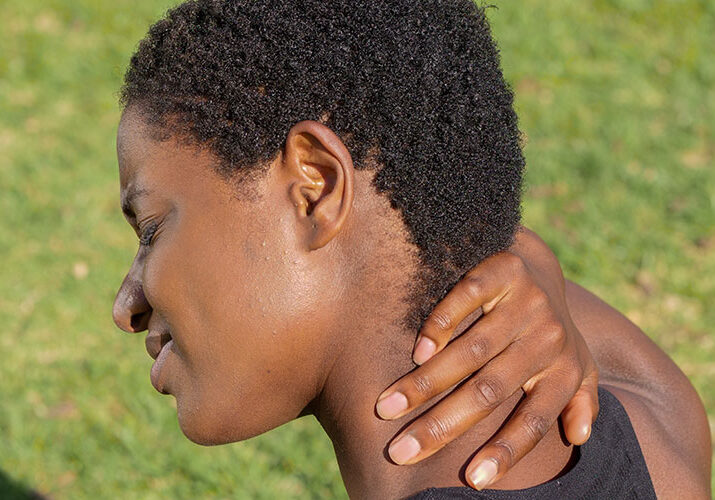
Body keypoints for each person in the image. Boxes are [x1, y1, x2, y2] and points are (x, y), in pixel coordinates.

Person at [111, 0, 711, 498]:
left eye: (150, 231)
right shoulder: (662, 432)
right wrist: (514, 255)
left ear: (315, 186)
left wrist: (526, 258)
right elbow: (641, 377)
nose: (126, 305)